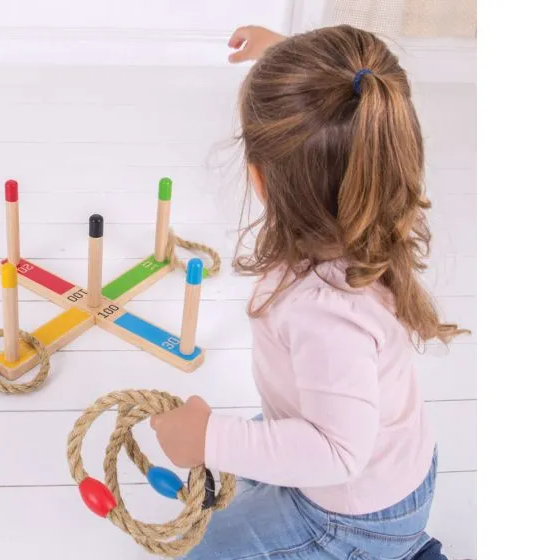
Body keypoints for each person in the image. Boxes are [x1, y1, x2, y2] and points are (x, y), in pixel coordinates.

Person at [150, 25, 467, 559]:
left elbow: (337, 451)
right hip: (390, 467)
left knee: (202, 549)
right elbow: (347, 103)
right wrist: (287, 57)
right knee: (247, 460)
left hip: (357, 515)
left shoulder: (324, 312)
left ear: (260, 181)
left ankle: (398, 552)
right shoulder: (377, 203)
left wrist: (211, 440)